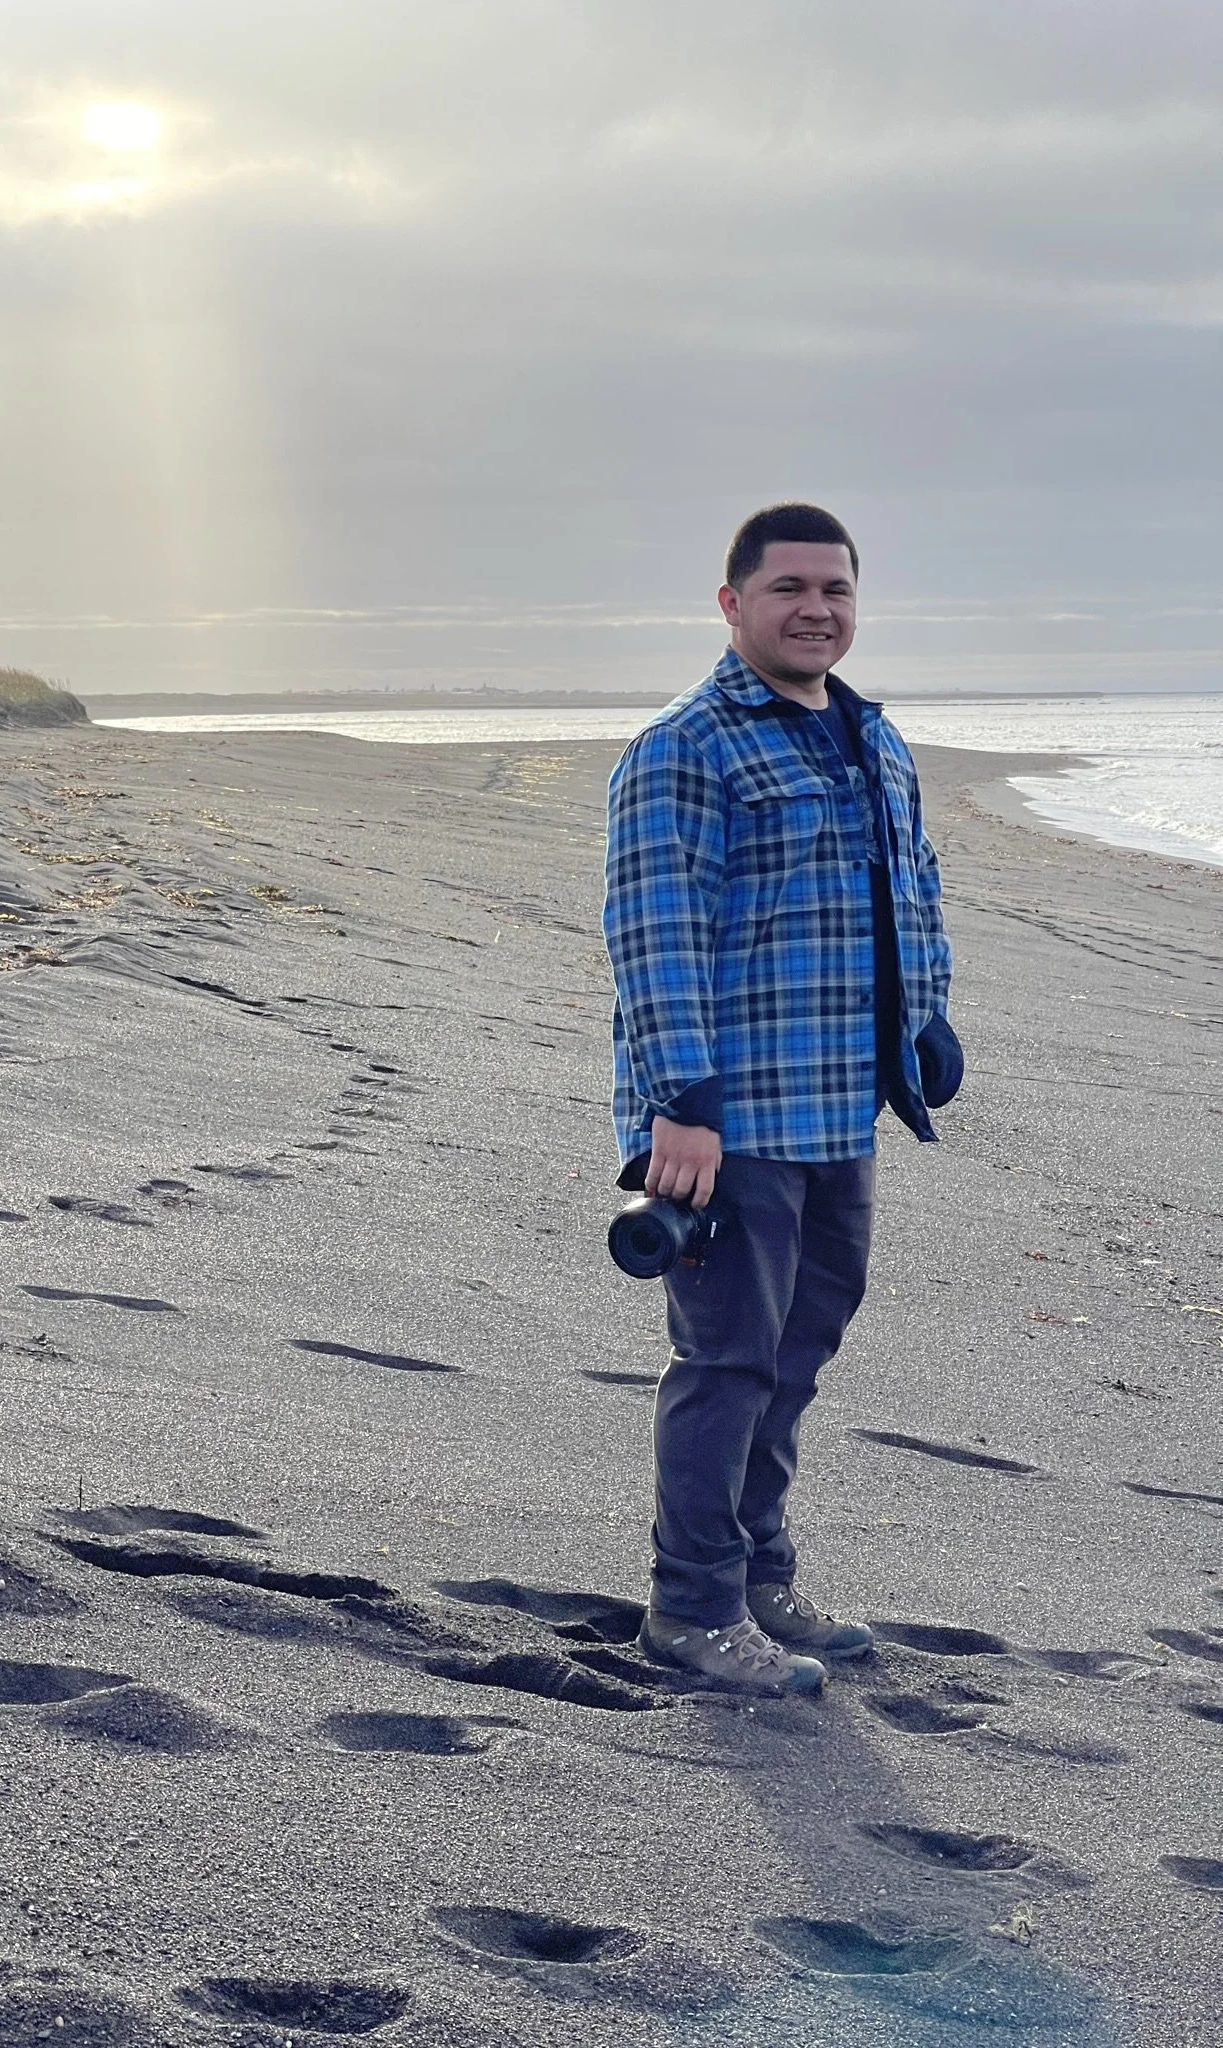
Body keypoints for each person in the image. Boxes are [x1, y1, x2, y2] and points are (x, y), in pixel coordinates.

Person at [602, 502, 961, 1697]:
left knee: (798, 1354)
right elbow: (654, 934)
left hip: (840, 1109)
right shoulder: (686, 745)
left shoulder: (870, 736)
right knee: (729, 1362)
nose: (817, 608)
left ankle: (759, 1573)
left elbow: (914, 891)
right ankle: (693, 1608)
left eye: (836, 588)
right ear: (732, 603)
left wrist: (926, 1020)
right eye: (789, 587)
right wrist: (682, 1101)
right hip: (729, 1124)